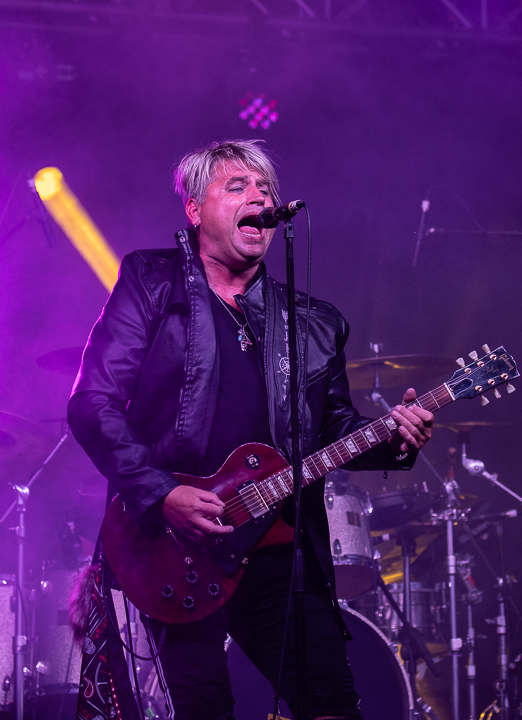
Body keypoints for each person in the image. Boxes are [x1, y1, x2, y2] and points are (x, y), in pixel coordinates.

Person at [67, 139, 433, 720]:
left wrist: (394, 437)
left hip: (280, 548)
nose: (259, 198)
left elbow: (332, 429)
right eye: (237, 186)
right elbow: (93, 403)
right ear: (194, 209)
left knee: (333, 706)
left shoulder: (315, 323)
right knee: (204, 708)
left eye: (266, 189)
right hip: (175, 547)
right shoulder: (151, 282)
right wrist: (163, 494)